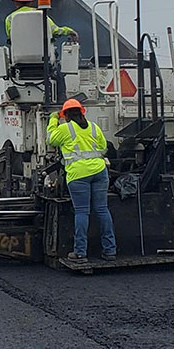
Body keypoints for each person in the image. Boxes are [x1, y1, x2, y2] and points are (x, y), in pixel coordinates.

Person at [47, 97, 116, 261]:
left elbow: (50, 139)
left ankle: (80, 252)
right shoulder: (93, 127)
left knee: (82, 212)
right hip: (100, 172)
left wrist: (53, 119)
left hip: (78, 175)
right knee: (102, 210)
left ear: (66, 115)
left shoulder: (65, 128)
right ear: (81, 112)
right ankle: (110, 251)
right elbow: (103, 147)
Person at [5, 0, 76, 42]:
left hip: (18, 54)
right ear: (31, 2)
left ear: (16, 2)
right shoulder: (41, 15)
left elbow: (11, 36)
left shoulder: (10, 18)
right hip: (43, 55)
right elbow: (55, 31)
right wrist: (69, 31)